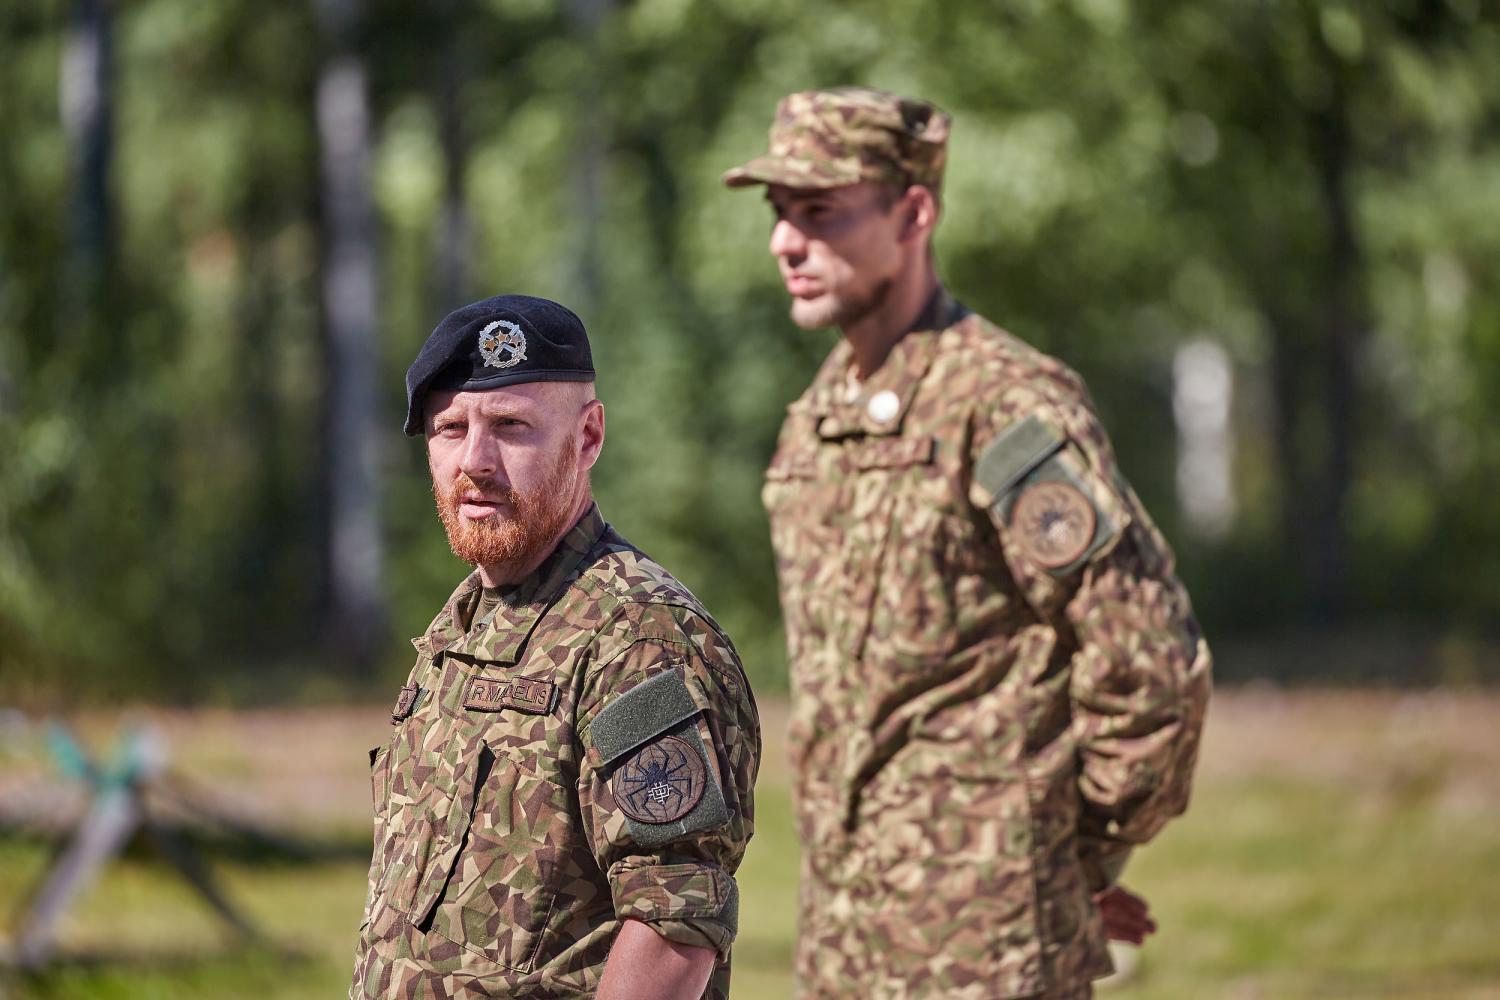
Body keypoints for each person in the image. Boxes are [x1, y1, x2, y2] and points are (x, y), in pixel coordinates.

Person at [723, 87, 1212, 998]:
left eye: (820, 213)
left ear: (915, 213)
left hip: (988, 952)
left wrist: (1078, 860)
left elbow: (1148, 660)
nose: (785, 243)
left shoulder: (1006, 410)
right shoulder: (817, 420)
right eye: (779, 214)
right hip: (843, 943)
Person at [350, 294, 760, 1000]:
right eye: (450, 429)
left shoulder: (638, 637)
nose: (474, 461)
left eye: (511, 427)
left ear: (589, 436)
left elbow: (674, 920)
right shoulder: (464, 627)